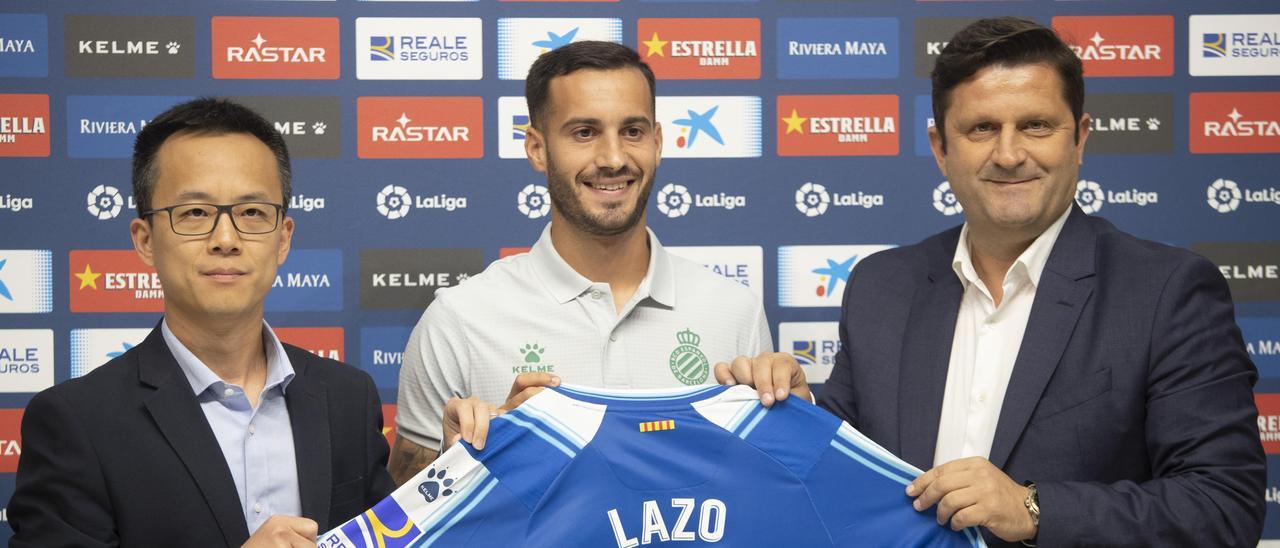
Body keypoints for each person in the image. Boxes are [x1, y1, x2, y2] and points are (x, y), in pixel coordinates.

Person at [816, 17, 1265, 546]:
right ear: (940, 148)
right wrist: (788, 419)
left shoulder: (1167, 290)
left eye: (1036, 126)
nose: (1008, 155)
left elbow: (1222, 506)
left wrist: (1033, 507)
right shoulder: (881, 286)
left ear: (1080, 138)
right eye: (981, 128)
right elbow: (835, 478)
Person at [389, 41, 809, 483]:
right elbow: (407, 507)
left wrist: (795, 417)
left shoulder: (734, 310)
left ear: (658, 141)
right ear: (536, 148)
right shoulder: (457, 322)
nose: (613, 159)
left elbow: (776, 486)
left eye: (632, 131)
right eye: (584, 132)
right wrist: (473, 457)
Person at [9, 98, 395, 548]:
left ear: (283, 238)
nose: (226, 240)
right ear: (146, 240)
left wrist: (466, 464)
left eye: (252, 212)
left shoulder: (347, 397)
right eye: (194, 213)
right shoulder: (78, 422)